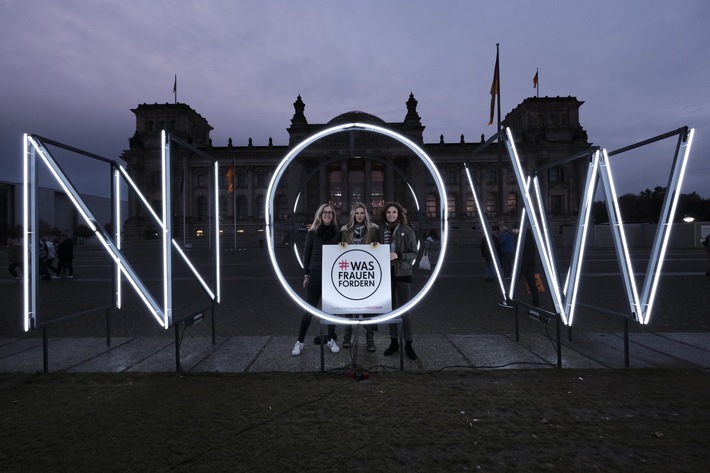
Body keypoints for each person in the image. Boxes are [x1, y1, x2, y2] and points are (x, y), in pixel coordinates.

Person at [291, 204, 341, 356]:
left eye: (330, 213)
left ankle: (331, 339)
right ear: (320, 215)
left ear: (333, 216)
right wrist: (306, 275)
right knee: (309, 309)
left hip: (331, 275)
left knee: (331, 310)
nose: (327, 215)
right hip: (316, 273)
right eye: (324, 212)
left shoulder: (338, 233)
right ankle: (299, 341)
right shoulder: (312, 233)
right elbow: (306, 255)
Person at [378, 202, 418, 360]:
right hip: (386, 274)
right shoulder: (380, 231)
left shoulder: (408, 231)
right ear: (385, 214)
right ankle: (393, 341)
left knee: (405, 311)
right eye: (389, 212)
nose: (391, 215)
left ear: (399, 214)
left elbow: (414, 253)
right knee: (391, 310)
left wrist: (399, 255)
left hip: (403, 274)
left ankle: (408, 343)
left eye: (394, 212)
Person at [340, 203, 379, 352]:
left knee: (368, 307)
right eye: (357, 213)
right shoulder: (345, 231)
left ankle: (370, 338)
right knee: (349, 307)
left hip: (367, 274)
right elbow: (340, 249)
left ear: (366, 214)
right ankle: (347, 336)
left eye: (362, 213)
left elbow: (378, 248)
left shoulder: (373, 230)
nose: (360, 216)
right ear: (353, 215)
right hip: (351, 274)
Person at [520, 230, 540, 307]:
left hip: (524, 265)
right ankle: (536, 303)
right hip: (531, 265)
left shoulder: (524, 242)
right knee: (533, 285)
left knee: (513, 284)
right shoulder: (532, 242)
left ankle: (508, 299)